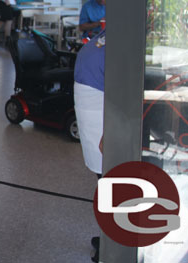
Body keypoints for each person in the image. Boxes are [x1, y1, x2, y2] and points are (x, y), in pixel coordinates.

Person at [73, 29, 105, 262]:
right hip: (96, 112)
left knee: (111, 181)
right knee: (106, 180)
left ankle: (114, 240)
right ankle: (111, 237)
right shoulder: (114, 29)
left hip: (102, 112)